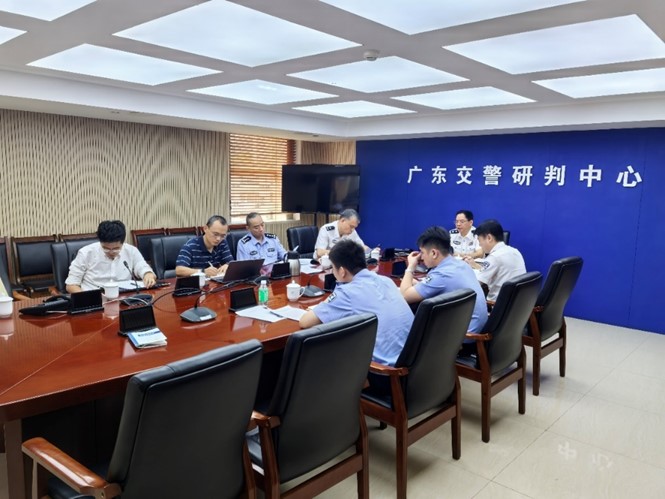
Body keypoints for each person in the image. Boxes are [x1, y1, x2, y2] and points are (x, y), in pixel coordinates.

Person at [299, 239, 414, 366]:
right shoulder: (386, 280)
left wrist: (337, 292)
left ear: (342, 271)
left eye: (333, 268)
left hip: (384, 370)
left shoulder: (347, 293)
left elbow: (305, 322)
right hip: (413, 362)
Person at [400, 226, 487, 334]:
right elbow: (439, 286)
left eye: (422, 252)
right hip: (473, 327)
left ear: (434, 253)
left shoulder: (441, 275)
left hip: (462, 336)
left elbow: (404, 296)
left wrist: (410, 267)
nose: (421, 257)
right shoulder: (461, 264)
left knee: (408, 315)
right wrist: (417, 283)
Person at [65, 220, 156, 293]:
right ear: (100, 242)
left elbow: (141, 266)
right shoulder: (86, 253)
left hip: (123, 298)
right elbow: (71, 285)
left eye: (116, 248)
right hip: (95, 298)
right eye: (106, 248)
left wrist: (147, 274)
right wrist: (86, 299)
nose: (111, 252)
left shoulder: (131, 251)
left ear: (123, 242)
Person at [464, 219, 526, 302]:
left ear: (489, 238)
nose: (480, 245)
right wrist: (475, 265)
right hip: (517, 304)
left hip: (495, 304)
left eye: (479, 240)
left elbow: (475, 284)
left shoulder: (494, 257)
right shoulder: (515, 251)